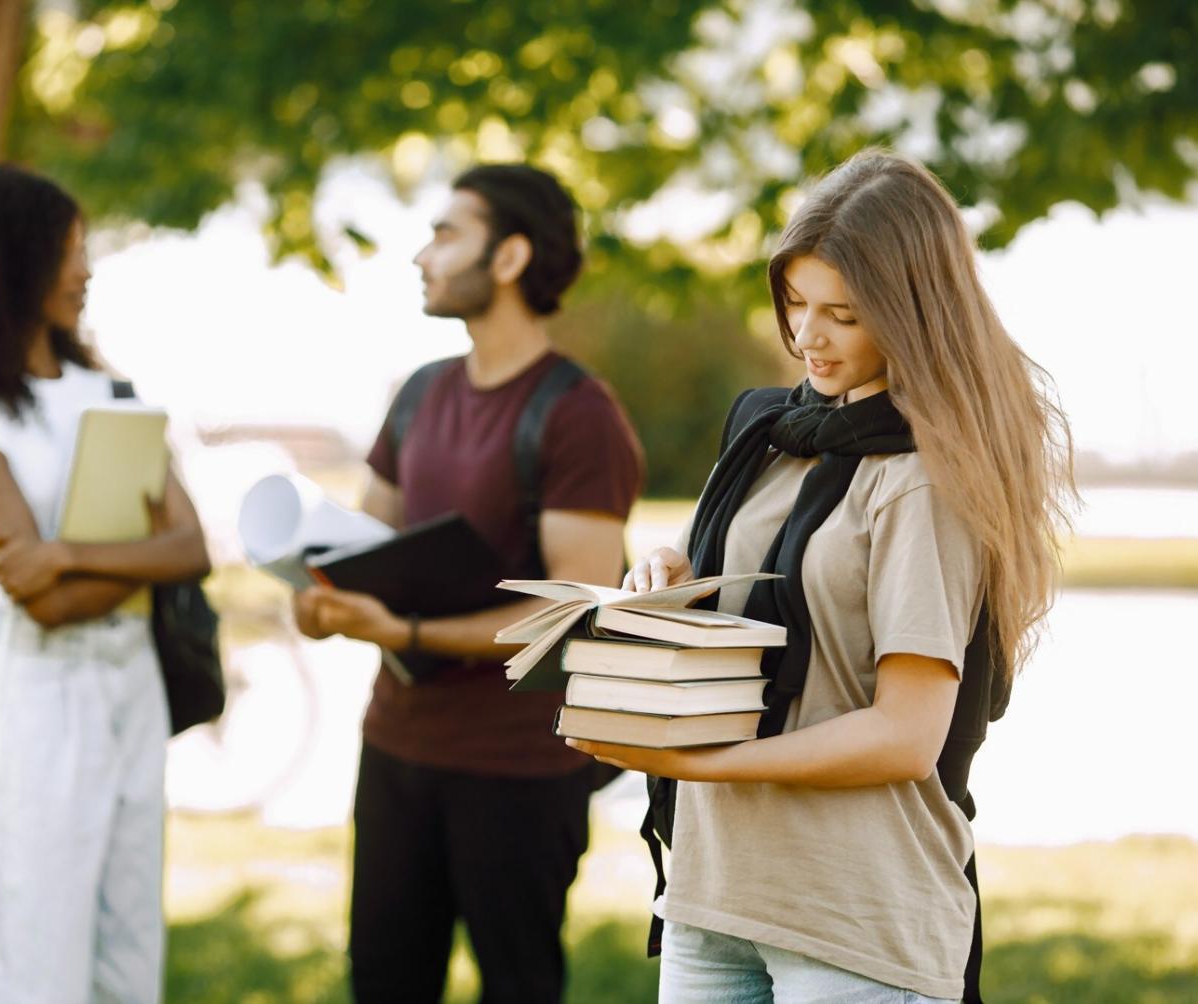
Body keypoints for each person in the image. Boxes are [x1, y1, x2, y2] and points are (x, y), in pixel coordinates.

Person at [571, 149, 1075, 1003]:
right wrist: (670, 571)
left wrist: (706, 761)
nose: (806, 336)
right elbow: (762, 583)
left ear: (912, 315)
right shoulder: (773, 436)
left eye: (841, 313)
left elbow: (905, 734)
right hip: (714, 892)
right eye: (795, 304)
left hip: (853, 920)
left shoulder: (923, 477)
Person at [292, 164, 645, 1003]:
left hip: (517, 772)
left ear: (511, 256)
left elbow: (575, 615)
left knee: (516, 989)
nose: (423, 254)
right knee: (382, 983)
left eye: (447, 234)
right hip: (396, 751)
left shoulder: (576, 414)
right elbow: (364, 544)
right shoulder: (419, 393)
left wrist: (407, 635)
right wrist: (320, 597)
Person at [0, 164, 211, 1003]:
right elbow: (40, 606)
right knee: (36, 941)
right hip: (40, 697)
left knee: (129, 939)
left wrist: (68, 555)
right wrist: (120, 561)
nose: (85, 271)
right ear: (11, 261)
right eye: (68, 250)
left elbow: (191, 547)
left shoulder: (111, 391)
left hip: (132, 685)